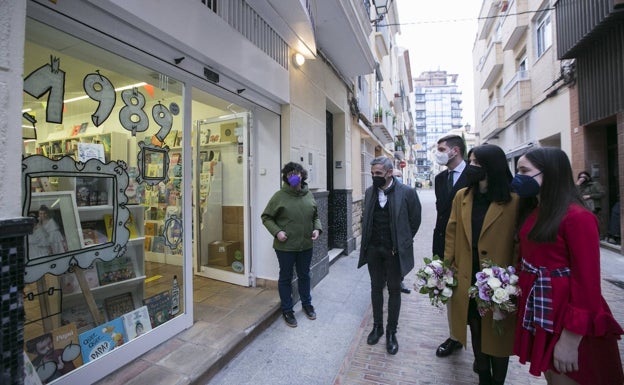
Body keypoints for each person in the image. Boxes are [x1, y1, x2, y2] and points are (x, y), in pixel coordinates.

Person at [512, 147, 624, 385]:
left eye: (524, 171)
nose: (518, 177)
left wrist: (571, 339)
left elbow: (588, 283)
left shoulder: (577, 218)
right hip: (542, 313)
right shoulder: (535, 211)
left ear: (551, 174)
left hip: (567, 319)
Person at [445, 144, 519, 385]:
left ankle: (498, 380)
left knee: (497, 332)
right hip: (468, 273)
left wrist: (515, 277)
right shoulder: (462, 197)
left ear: (491, 167)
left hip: (500, 279)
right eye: (471, 161)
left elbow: (519, 242)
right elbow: (451, 234)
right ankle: (483, 377)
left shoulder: (514, 200)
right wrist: (447, 269)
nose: (471, 167)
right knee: (475, 325)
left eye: (476, 163)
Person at [358, 156, 422, 355]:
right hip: (374, 250)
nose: (374, 177)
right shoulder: (370, 193)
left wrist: (402, 241)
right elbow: (365, 218)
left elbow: (415, 220)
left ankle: (391, 332)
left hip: (394, 252)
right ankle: (377, 326)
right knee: (376, 288)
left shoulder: (407, 193)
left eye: (378, 173)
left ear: (388, 172)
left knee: (394, 290)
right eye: (372, 173)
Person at [261, 162, 322, 328]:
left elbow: (315, 215)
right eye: (289, 175)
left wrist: (317, 228)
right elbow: (266, 217)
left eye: (296, 173)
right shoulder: (279, 196)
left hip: (306, 245)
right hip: (285, 247)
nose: (293, 177)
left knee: (304, 275)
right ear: (286, 178)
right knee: (286, 277)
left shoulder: (308, 194)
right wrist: (277, 232)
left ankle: (307, 304)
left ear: (302, 175)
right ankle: (287, 309)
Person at [433, 134, 470, 358]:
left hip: (467, 245)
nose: (438, 152)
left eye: (441, 148)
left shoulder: (473, 176)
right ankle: (454, 337)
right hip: (442, 243)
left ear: (455, 151)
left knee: (471, 294)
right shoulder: (439, 179)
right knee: (449, 292)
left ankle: (478, 341)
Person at [392, 168, 413, 294]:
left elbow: (414, 217)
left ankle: (400, 282)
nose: (397, 178)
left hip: (402, 238)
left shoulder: (407, 192)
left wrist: (407, 235)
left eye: (399, 176)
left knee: (401, 263)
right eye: (394, 176)